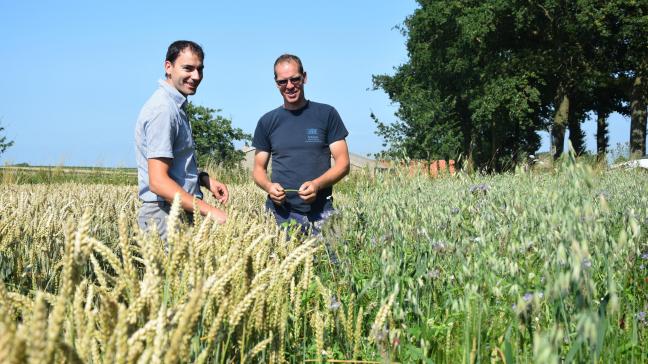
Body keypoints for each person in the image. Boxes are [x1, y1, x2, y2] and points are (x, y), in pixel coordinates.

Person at [135, 40, 228, 239]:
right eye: (188, 68)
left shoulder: (175, 106)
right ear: (168, 67)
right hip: (164, 215)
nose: (196, 76)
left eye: (199, 69)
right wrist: (210, 210)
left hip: (175, 210)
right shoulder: (163, 110)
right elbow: (158, 182)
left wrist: (204, 180)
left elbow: (174, 165)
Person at [252, 54, 350, 234]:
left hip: (321, 211)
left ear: (304, 77)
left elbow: (343, 164)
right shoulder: (267, 122)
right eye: (283, 82)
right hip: (280, 214)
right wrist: (269, 187)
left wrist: (317, 185)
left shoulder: (327, 114)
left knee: (330, 261)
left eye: (295, 79)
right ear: (276, 83)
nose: (289, 86)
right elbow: (258, 169)